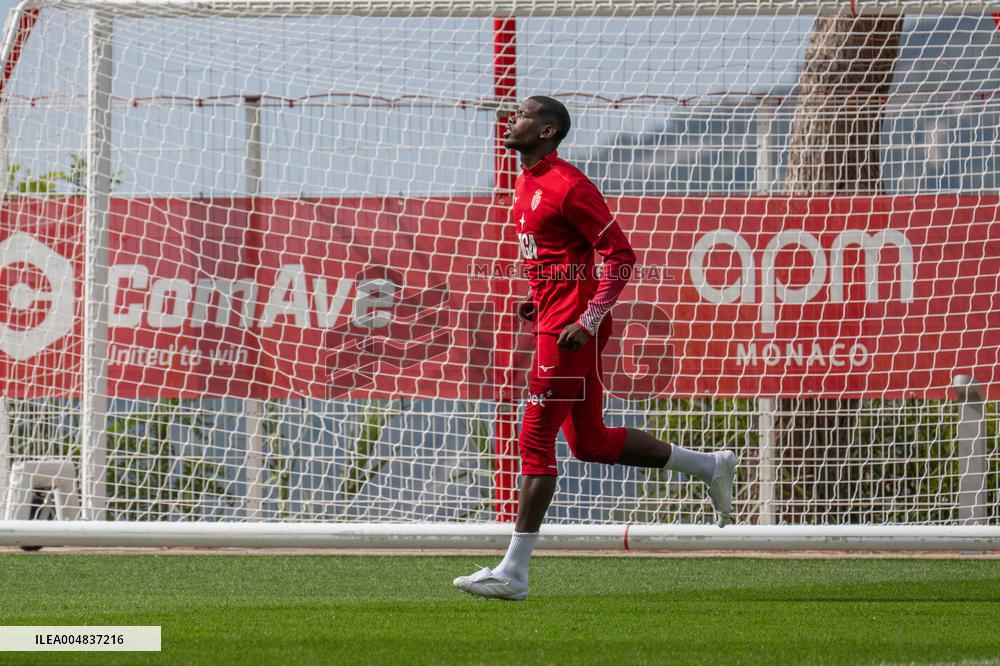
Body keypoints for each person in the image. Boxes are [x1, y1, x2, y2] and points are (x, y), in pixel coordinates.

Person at [454, 96, 737, 601]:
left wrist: (586, 318)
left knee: (534, 441)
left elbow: (621, 256)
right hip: (554, 323)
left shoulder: (569, 185)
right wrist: (537, 300)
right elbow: (561, 259)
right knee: (590, 443)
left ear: (546, 131)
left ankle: (514, 572)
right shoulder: (525, 181)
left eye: (521, 115)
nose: (510, 120)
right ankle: (708, 466)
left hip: (569, 335)